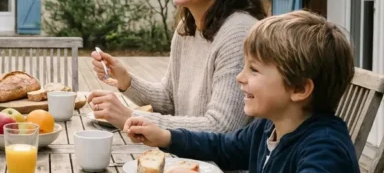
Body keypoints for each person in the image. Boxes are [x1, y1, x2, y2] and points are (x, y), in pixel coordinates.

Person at [88, 0, 267, 131]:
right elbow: (170, 99)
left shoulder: (239, 33)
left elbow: (222, 128)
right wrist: (126, 80)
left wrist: (130, 117)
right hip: (187, 152)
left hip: (222, 156)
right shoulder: (187, 28)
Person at [125, 10, 360, 173]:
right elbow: (222, 147)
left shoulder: (325, 150)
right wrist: (166, 136)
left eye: (254, 70)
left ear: (299, 88)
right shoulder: (267, 127)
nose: (240, 77)